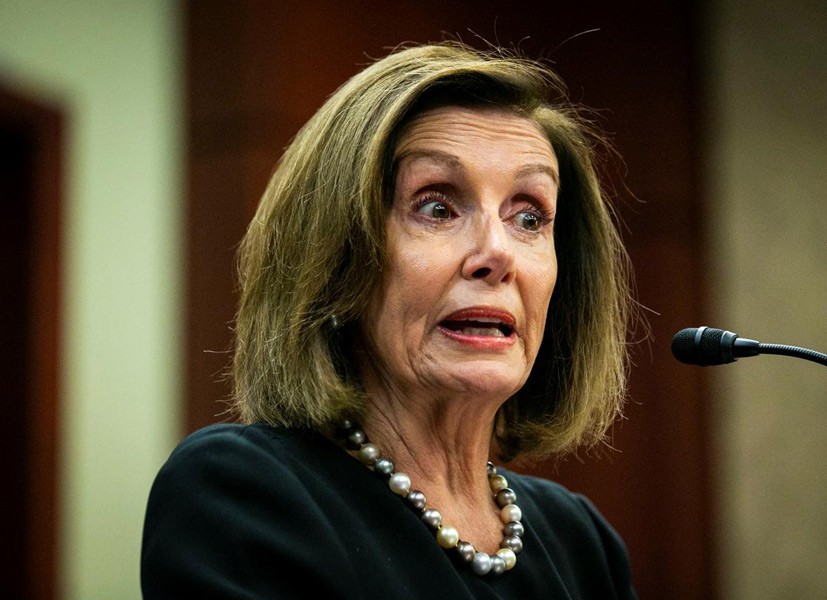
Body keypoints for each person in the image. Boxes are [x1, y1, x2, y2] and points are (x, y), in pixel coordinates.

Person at [141, 41, 637, 598]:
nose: (498, 254)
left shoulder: (582, 542)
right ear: (335, 256)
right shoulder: (242, 493)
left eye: (529, 216)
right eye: (437, 207)